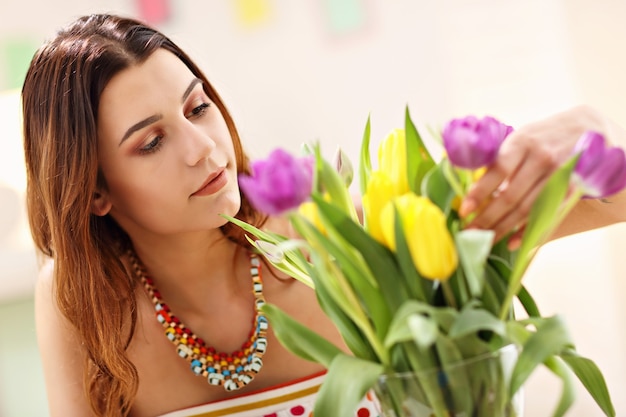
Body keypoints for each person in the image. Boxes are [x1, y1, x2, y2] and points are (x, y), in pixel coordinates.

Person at [23, 13, 625, 417]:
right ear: (95, 190)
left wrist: (589, 132)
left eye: (198, 107)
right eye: (150, 143)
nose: (202, 147)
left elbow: (611, 200)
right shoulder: (83, 300)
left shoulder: (340, 235)